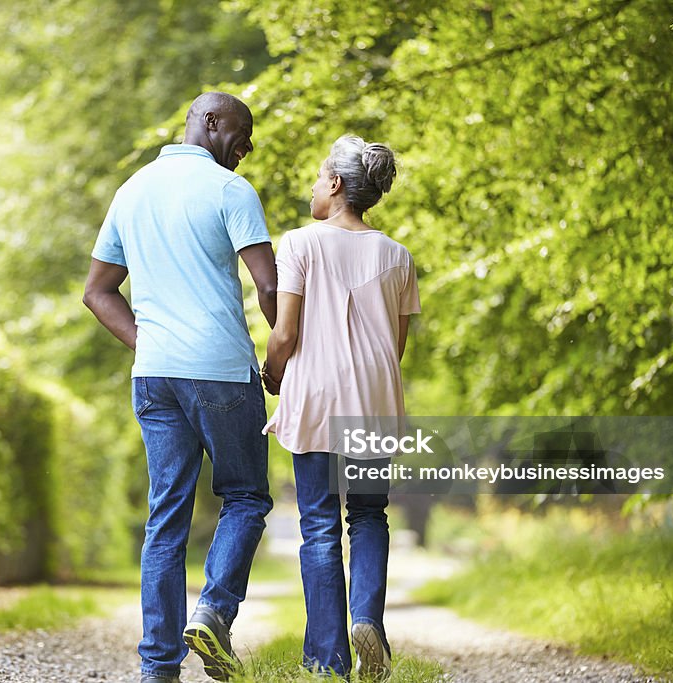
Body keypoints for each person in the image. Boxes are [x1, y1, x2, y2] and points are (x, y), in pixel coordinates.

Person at [83, 91, 277, 683]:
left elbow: (98, 291)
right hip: (220, 372)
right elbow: (270, 288)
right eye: (240, 136)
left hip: (155, 376)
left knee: (165, 519)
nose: (244, 150)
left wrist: (151, 343)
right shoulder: (229, 191)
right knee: (245, 496)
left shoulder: (132, 189)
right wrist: (288, 356)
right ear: (210, 122)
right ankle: (215, 614)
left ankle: (157, 669)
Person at [262, 135, 421, 679]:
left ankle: (327, 661)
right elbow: (394, 348)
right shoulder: (398, 256)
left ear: (335, 184)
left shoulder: (300, 243)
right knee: (370, 515)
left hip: (318, 398)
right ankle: (367, 621)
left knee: (321, 525)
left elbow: (284, 333)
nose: (312, 186)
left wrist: (272, 373)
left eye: (317, 176)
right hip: (375, 398)